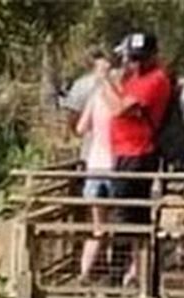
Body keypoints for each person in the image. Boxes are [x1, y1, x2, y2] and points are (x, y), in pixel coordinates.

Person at [97, 31, 174, 287]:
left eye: (140, 58)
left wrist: (103, 80)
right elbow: (120, 98)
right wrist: (117, 75)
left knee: (124, 216)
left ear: (153, 56)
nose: (135, 63)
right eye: (133, 58)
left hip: (138, 154)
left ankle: (117, 274)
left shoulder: (156, 80)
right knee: (132, 216)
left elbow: (119, 108)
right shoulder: (135, 78)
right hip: (123, 152)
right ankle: (139, 275)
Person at [74, 49, 117, 282]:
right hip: (113, 166)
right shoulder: (116, 98)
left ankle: (85, 272)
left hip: (94, 165)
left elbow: (80, 128)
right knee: (112, 223)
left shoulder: (94, 98)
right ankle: (112, 270)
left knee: (98, 226)